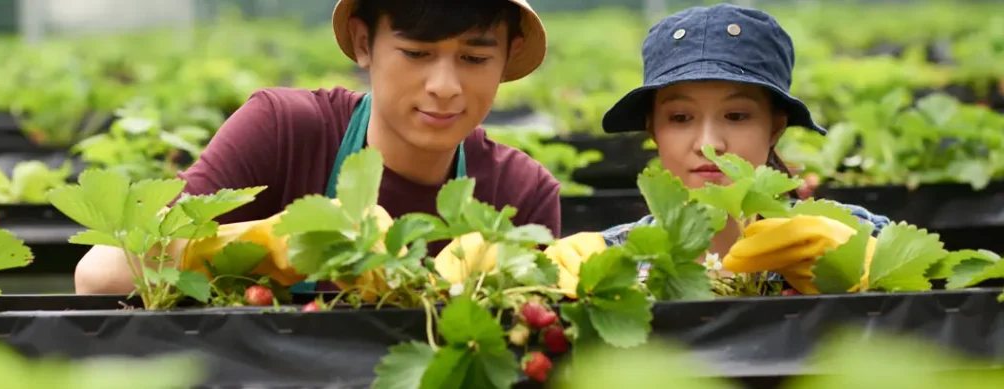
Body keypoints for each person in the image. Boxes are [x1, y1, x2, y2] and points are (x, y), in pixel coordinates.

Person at [73, 0, 562, 295]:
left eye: (474, 57)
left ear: (509, 55)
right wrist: (269, 244)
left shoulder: (522, 194)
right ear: (364, 42)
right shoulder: (284, 131)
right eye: (417, 53)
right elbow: (100, 273)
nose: (445, 85)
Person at [595, 4, 891, 286]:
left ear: (776, 128)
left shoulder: (853, 235)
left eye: (736, 116)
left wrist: (871, 271)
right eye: (681, 117)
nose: (708, 144)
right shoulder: (609, 264)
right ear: (653, 130)